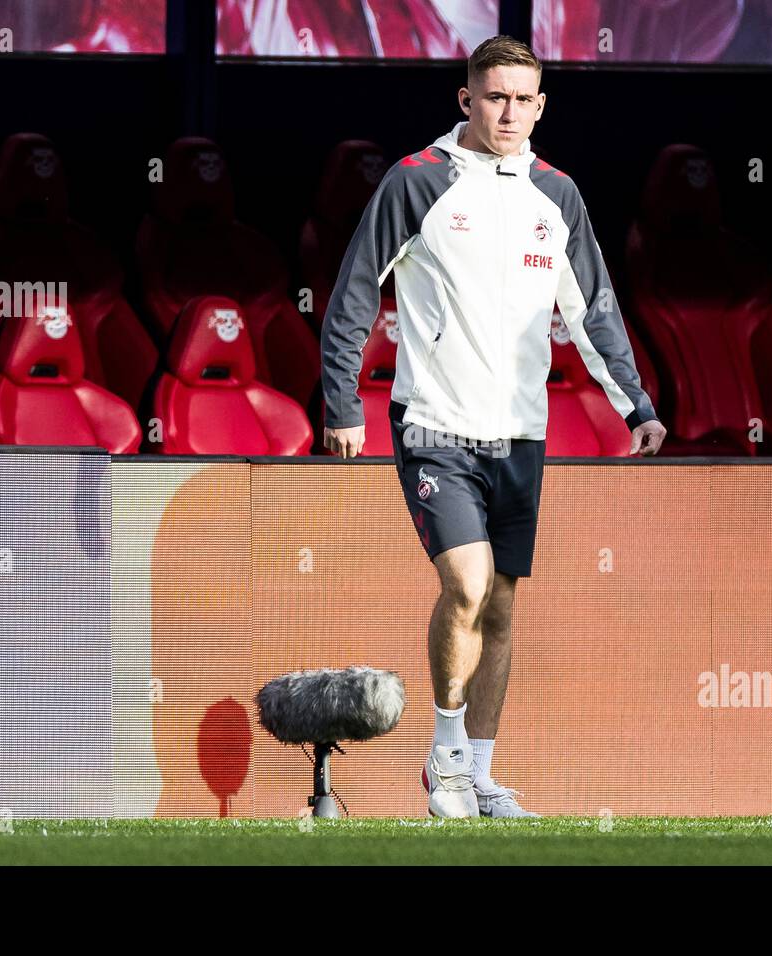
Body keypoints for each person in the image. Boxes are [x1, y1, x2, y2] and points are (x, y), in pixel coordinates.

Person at [319, 35, 665, 818]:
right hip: (435, 424)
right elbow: (350, 297)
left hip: (522, 433)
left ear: (540, 107)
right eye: (495, 97)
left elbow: (594, 311)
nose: (509, 113)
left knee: (502, 607)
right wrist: (342, 403)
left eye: (523, 100)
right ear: (466, 99)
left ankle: (478, 771)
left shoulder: (559, 194)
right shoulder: (416, 182)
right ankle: (442, 758)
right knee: (466, 586)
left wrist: (636, 407)